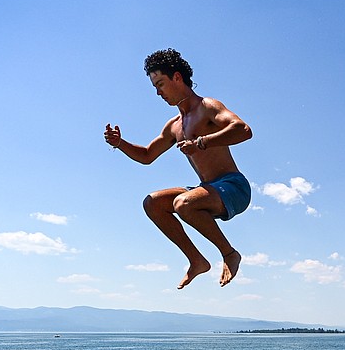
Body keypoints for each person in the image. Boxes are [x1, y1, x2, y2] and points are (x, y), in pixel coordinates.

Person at [105, 49, 253, 288]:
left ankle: (229, 253)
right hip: (207, 190)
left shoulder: (207, 107)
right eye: (154, 87)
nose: (158, 92)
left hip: (233, 187)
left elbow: (243, 130)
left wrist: (202, 142)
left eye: (160, 84)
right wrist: (120, 144)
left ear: (177, 77)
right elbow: (146, 155)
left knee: (183, 203)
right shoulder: (174, 125)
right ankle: (196, 260)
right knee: (153, 203)